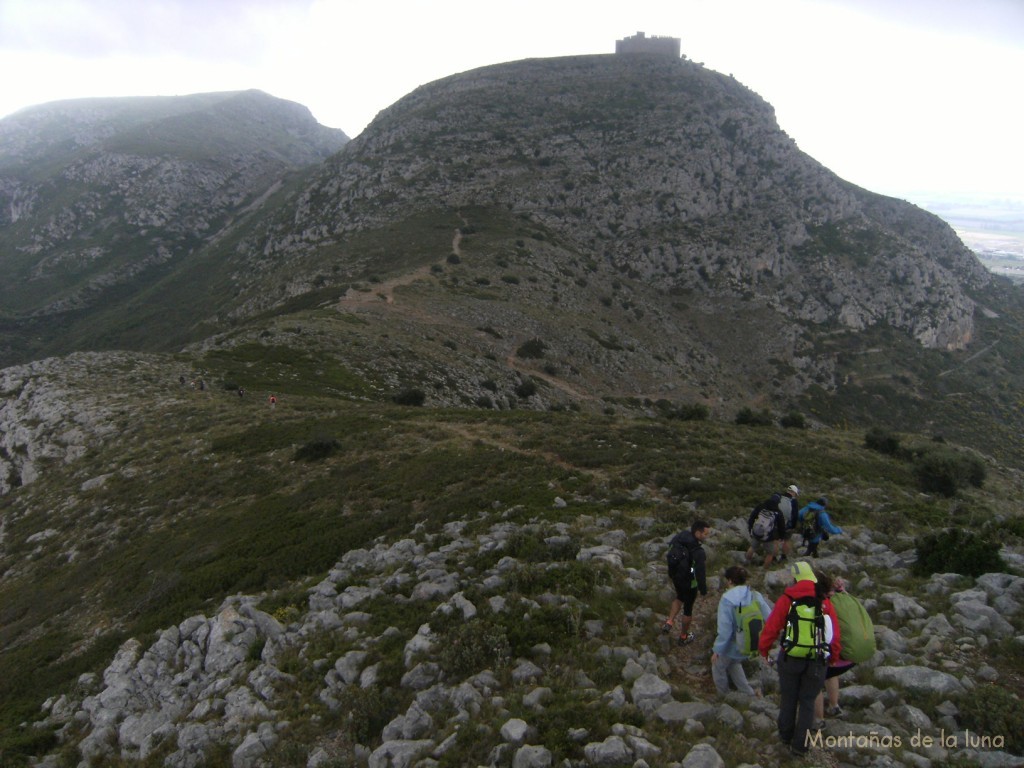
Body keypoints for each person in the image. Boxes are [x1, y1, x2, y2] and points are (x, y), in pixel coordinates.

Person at [758, 561, 841, 758]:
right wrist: (833, 658)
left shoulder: (788, 598)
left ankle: (785, 737)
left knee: (788, 699)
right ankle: (800, 747)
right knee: (807, 701)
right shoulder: (824, 601)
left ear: (796, 578)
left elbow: (772, 627)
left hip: (790, 658)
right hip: (816, 661)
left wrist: (764, 650)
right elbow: (834, 635)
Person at [711, 565, 772, 696]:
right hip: (750, 643)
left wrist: (717, 650)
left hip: (732, 644)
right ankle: (748, 693)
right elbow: (769, 617)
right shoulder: (754, 595)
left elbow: (725, 628)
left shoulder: (727, 599)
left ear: (730, 581)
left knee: (718, 667)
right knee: (734, 663)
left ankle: (724, 695)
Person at [661, 520, 711, 646]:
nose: (707, 536)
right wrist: (703, 589)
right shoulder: (698, 552)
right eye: (705, 534)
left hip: (676, 575)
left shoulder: (680, 536)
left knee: (679, 597)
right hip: (689, 581)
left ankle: (669, 622)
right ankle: (683, 636)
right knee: (688, 609)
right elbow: (700, 572)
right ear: (698, 533)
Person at [815, 576, 856, 723]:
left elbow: (834, 634)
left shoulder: (821, 604)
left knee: (815, 683)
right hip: (844, 658)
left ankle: (818, 720)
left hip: (827, 653)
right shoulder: (839, 598)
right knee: (830, 675)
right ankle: (834, 705)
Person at [746, 486, 797, 567]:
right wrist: (781, 536)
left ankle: (747, 562)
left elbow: (752, 517)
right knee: (770, 553)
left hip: (757, 531)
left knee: (752, 547)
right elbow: (781, 526)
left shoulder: (761, 506)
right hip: (768, 536)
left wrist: (750, 528)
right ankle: (764, 569)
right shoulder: (778, 512)